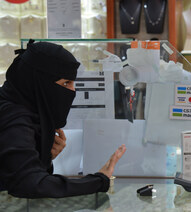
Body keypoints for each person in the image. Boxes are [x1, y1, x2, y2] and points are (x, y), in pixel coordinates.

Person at [0, 40, 126, 198]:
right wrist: (98, 181)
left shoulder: (19, 109)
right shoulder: (14, 118)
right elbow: (28, 184)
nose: (72, 91)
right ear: (41, 83)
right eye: (66, 83)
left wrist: (45, 156)